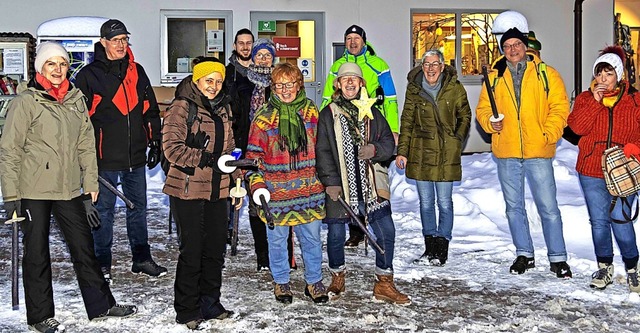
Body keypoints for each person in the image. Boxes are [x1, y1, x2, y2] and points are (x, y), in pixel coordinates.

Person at [0, 41, 136, 333]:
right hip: (33, 190)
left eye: (62, 64)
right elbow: (9, 149)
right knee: (36, 253)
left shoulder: (75, 99)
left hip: (69, 189)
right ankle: (40, 316)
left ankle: (101, 304)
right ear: (40, 68)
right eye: (51, 64)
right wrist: (11, 195)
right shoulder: (26, 102)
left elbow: (86, 145)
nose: (58, 70)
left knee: (84, 248)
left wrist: (89, 185)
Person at [476, 27, 572, 278]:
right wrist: (490, 123)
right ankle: (524, 254)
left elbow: (560, 107)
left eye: (517, 44)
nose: (512, 49)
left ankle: (558, 257)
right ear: (503, 50)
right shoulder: (495, 77)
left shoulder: (546, 74)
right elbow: (483, 109)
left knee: (548, 206)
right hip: (507, 150)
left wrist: (548, 134)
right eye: (507, 46)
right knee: (514, 207)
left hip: (537, 149)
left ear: (526, 46)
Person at [75, 19, 167, 282]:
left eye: (124, 39)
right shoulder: (88, 75)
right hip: (103, 159)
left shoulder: (137, 71)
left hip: (135, 156)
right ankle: (101, 262)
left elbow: (149, 109)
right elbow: (79, 121)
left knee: (138, 208)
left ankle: (141, 258)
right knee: (103, 212)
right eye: (115, 40)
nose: (121, 45)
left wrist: (155, 141)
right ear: (103, 42)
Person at [317, 62, 410, 304]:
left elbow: (389, 143)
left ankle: (384, 282)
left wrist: (375, 149)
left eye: (354, 79)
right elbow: (323, 150)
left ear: (361, 84)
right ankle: (337, 275)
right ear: (337, 84)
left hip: (370, 184)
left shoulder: (373, 113)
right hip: (340, 186)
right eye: (344, 79)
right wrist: (330, 182)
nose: (349, 82)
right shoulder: (328, 114)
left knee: (386, 231)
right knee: (336, 234)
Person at [163, 57, 238, 330]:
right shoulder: (181, 107)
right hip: (187, 190)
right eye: (209, 81)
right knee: (192, 250)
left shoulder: (224, 108)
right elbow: (172, 149)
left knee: (215, 250)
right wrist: (207, 158)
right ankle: (187, 309)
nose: (214, 86)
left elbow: (229, 149)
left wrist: (236, 180)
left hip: (218, 189)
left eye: (218, 82)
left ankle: (210, 302)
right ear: (197, 80)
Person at [245, 62, 328, 304]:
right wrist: (257, 185)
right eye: (279, 85)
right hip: (276, 193)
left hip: (309, 191)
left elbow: (324, 150)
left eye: (289, 84)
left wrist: (328, 180)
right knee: (277, 241)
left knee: (312, 240)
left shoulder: (312, 113)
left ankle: (314, 282)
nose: (285, 90)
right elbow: (252, 158)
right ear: (273, 87)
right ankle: (281, 282)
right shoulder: (263, 118)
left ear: (299, 85)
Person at [567, 45, 640, 292]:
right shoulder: (586, 99)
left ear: (618, 75)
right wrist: (595, 103)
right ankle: (604, 267)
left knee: (621, 220)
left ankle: (633, 268)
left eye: (608, 74)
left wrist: (632, 149)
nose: (603, 79)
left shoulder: (634, 99)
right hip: (591, 169)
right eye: (599, 74)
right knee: (599, 222)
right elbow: (576, 129)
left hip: (622, 169)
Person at [321, 24, 399, 247]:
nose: (353, 42)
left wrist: (392, 129)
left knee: (369, 179)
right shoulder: (337, 66)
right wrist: (322, 125)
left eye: (356, 38)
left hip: (372, 126)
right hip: (342, 125)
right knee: (348, 177)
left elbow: (391, 98)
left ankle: (372, 222)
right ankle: (355, 229)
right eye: (348, 39)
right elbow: (328, 97)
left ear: (364, 41)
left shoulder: (378, 65)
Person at [395, 49, 471, 266]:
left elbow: (465, 115)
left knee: (445, 202)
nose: (430, 68)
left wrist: (457, 138)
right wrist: (402, 151)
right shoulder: (414, 88)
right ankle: (429, 247)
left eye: (434, 64)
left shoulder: (454, 87)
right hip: (420, 151)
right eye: (426, 64)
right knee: (426, 202)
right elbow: (407, 120)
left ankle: (442, 246)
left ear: (443, 66)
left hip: (446, 151)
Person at [223, 28, 254, 250]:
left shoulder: (263, 73)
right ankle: (227, 229)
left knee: (256, 185)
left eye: (248, 43)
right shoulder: (226, 73)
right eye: (241, 43)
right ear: (235, 46)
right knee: (229, 185)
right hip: (233, 137)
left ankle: (262, 231)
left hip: (257, 139)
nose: (245, 47)